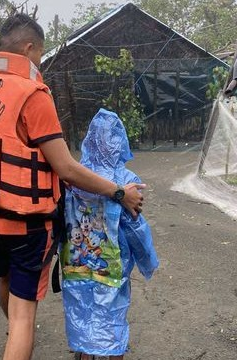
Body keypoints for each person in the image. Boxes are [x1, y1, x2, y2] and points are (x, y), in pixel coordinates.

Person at [0, 14, 145, 360]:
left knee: (4, 281)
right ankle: (19, 337)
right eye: (40, 55)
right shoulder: (32, 93)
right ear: (29, 48)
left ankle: (16, 334)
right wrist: (119, 192)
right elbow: (67, 168)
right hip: (27, 223)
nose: (39, 63)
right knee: (25, 313)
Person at [60, 108, 159, 360]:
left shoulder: (74, 177)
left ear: (89, 139)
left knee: (80, 310)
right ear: (120, 142)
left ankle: (83, 355)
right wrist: (148, 260)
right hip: (112, 266)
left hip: (76, 263)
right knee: (113, 314)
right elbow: (135, 226)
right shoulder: (125, 181)